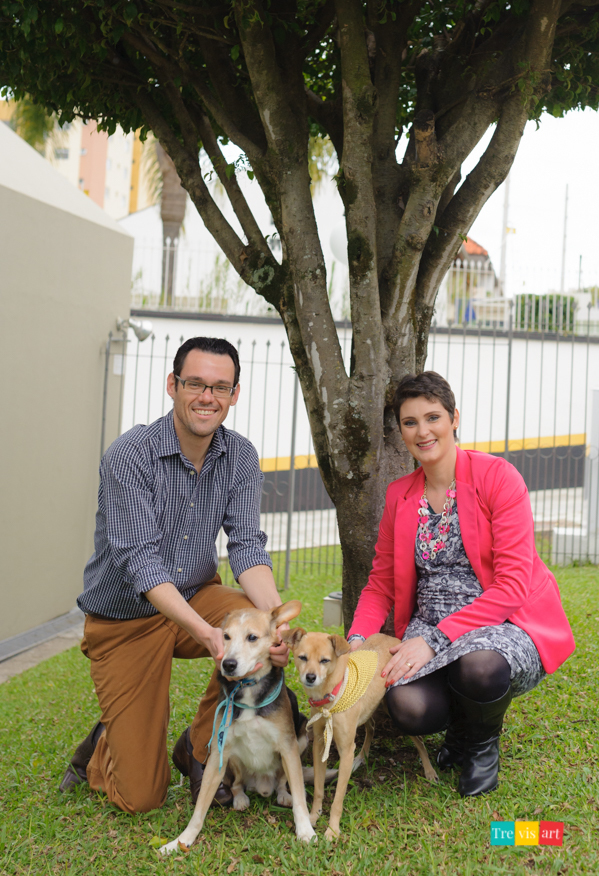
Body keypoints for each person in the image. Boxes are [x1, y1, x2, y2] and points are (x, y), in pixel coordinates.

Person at [59, 336, 291, 813]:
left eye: (220, 387)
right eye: (195, 384)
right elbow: (141, 562)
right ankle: (104, 744)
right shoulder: (130, 455)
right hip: (125, 619)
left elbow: (246, 545)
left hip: (197, 596)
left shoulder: (240, 456)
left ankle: (199, 747)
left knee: (248, 620)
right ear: (173, 385)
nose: (208, 397)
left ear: (234, 395)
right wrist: (206, 632)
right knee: (142, 798)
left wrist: (274, 624)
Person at [346, 371, 575, 797]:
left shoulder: (498, 477)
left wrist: (434, 641)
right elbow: (380, 584)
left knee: (479, 667)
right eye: (410, 422)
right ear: (401, 431)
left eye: (433, 417)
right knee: (407, 707)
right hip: (428, 626)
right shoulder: (399, 495)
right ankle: (464, 726)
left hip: (502, 622)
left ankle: (481, 746)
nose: (423, 431)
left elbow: (511, 586)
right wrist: (356, 643)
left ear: (454, 418)